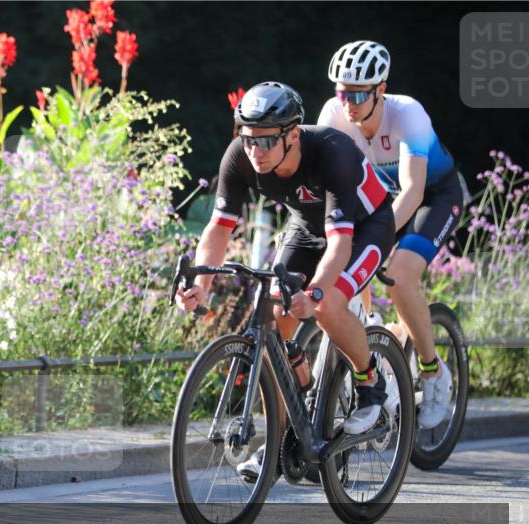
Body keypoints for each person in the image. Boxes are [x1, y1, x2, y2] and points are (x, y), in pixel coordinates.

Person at [176, 81, 397, 482]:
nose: (254, 151)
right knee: (273, 316)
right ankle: (279, 442)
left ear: (293, 134)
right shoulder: (240, 156)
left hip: (366, 228)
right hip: (307, 228)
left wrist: (314, 294)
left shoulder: (332, 153)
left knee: (328, 304)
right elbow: (218, 229)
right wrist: (203, 283)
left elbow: (340, 245)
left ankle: (370, 381)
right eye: (248, 140)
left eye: (265, 142)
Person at [319, 40, 461, 430]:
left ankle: (433, 372)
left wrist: (374, 239)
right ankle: (377, 338)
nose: (348, 102)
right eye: (342, 91)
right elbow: (324, 182)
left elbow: (413, 192)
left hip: (434, 196)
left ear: (381, 89)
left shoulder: (407, 114)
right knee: (348, 262)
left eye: (358, 93)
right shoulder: (333, 114)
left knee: (399, 274)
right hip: (380, 200)